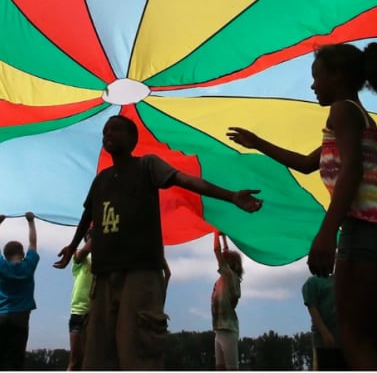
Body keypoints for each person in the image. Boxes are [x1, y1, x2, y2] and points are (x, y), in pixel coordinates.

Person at [227, 42, 377, 370]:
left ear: (337, 76)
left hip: (367, 231)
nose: (312, 86)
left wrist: (326, 234)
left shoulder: (343, 109)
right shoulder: (355, 116)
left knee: (355, 341)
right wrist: (258, 142)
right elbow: (308, 164)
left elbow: (352, 169)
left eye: (316, 77)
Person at [52, 114, 263, 371]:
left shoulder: (147, 166)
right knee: (98, 355)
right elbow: (89, 215)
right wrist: (73, 246)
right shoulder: (101, 180)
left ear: (132, 139)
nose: (108, 134)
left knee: (138, 352)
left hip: (140, 273)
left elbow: (186, 180)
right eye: (105, 131)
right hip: (104, 277)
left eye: (115, 129)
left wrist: (230, 196)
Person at [0, 212, 40, 370]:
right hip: (20, 319)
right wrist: (31, 221)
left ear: (5, 255)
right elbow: (33, 243)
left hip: (0, 317)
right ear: (22, 254)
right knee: (13, 361)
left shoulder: (1, 265)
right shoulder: (29, 266)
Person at [301, 273, 347, 370]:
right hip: (323, 342)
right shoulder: (312, 282)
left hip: (344, 340)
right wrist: (325, 333)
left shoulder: (340, 280)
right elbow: (312, 309)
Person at [211, 232, 243, 370]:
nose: (223, 258)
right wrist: (223, 237)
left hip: (228, 330)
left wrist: (215, 232)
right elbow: (224, 252)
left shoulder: (229, 275)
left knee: (231, 369)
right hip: (219, 330)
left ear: (231, 264)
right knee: (220, 368)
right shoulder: (224, 278)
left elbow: (217, 251)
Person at [67, 230, 92, 371]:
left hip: (95, 312)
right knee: (75, 361)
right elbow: (83, 252)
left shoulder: (103, 257)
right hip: (79, 311)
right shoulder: (78, 255)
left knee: (92, 360)